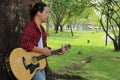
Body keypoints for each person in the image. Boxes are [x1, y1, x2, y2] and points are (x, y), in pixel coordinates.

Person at [19, 1, 65, 80]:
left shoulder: (42, 30)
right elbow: (24, 43)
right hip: (30, 64)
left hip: (40, 64)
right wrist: (42, 50)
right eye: (46, 12)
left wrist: (57, 52)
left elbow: (44, 48)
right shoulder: (30, 26)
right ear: (39, 13)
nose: (48, 15)